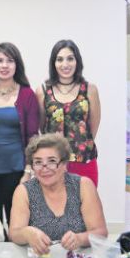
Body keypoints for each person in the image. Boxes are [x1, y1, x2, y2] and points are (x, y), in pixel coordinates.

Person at [8, 133, 108, 255]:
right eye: (38, 162)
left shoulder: (83, 186)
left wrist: (80, 239)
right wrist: (27, 233)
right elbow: (14, 234)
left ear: (64, 164)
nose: (45, 168)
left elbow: (101, 232)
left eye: (52, 161)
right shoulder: (24, 191)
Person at [0, 42, 40, 225]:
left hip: (16, 169)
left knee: (17, 223)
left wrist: (28, 171)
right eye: (0, 60)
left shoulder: (27, 95)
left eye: (9, 61)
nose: (4, 65)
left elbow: (33, 137)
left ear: (16, 64)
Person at [36, 39, 101, 187]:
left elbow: (93, 126)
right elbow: (42, 127)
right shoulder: (43, 91)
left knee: (85, 207)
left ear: (77, 61)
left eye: (70, 58)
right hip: (53, 164)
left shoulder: (90, 90)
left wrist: (79, 146)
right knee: (53, 208)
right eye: (60, 59)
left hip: (83, 162)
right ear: (53, 63)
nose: (65, 64)